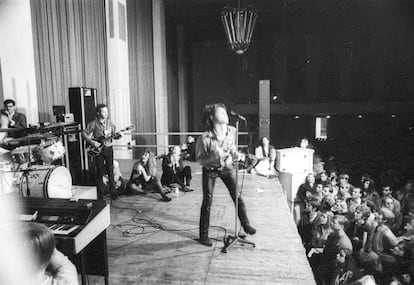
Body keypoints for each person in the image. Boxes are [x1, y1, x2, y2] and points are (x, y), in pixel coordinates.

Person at [195, 103, 255, 247]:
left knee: (237, 196)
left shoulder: (232, 131)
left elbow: (232, 147)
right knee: (207, 201)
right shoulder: (204, 138)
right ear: (212, 117)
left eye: (224, 112)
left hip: (226, 167)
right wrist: (214, 155)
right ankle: (203, 235)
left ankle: (246, 224)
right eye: (220, 112)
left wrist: (234, 153)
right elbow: (200, 159)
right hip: (210, 170)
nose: (225, 114)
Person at [82, 104, 119, 200]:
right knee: (99, 171)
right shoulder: (93, 123)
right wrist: (91, 142)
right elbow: (84, 133)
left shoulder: (110, 123)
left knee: (110, 170)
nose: (106, 114)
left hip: (109, 149)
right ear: (98, 113)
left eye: (107, 112)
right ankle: (100, 195)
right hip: (98, 150)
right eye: (104, 112)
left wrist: (118, 135)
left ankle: (113, 192)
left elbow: (115, 134)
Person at [317, 215, 353, 285]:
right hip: (324, 269)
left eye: (334, 222)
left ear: (341, 226)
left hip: (333, 273)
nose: (331, 223)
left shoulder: (344, 243)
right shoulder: (332, 236)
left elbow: (344, 263)